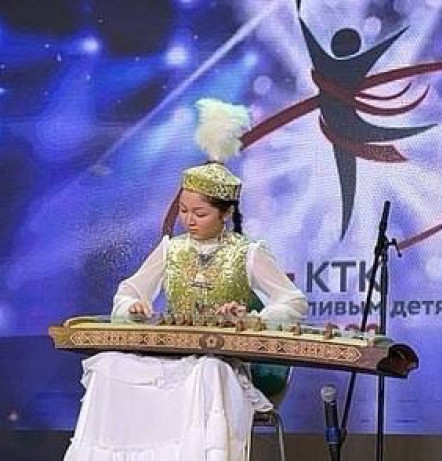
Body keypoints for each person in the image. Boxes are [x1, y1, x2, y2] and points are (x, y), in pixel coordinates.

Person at [64, 99, 307, 461]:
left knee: (209, 370)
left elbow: (293, 301)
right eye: (183, 211)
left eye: (200, 213)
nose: (189, 220)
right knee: (110, 366)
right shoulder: (171, 249)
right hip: (172, 357)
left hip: (225, 364)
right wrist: (133, 307)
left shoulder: (248, 252)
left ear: (225, 213)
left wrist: (254, 319)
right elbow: (127, 292)